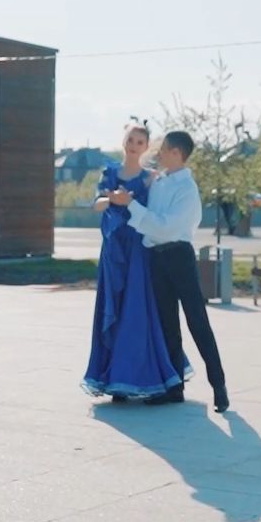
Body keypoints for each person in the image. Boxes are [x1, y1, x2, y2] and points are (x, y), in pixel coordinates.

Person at [107, 130, 229, 413]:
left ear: (176, 153)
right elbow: (150, 217)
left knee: (197, 321)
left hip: (179, 257)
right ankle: (175, 387)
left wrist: (132, 205)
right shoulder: (159, 181)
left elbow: (167, 227)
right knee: (167, 324)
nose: (158, 152)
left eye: (163, 149)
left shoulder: (187, 189)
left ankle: (219, 385)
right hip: (156, 258)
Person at [83, 121, 186, 402]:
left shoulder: (150, 177)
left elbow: (157, 211)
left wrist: (129, 203)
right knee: (112, 308)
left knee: (135, 311)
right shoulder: (109, 172)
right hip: (113, 250)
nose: (134, 146)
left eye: (140, 142)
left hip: (138, 250)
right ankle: (112, 379)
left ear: (146, 147)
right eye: (131, 140)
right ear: (124, 140)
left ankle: (132, 378)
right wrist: (111, 200)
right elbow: (96, 204)